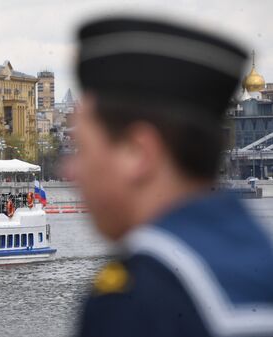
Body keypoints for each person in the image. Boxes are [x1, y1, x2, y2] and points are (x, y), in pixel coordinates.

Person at [69, 16, 273, 337]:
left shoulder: (136, 298)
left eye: (82, 148)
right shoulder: (259, 260)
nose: (71, 170)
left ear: (138, 154)